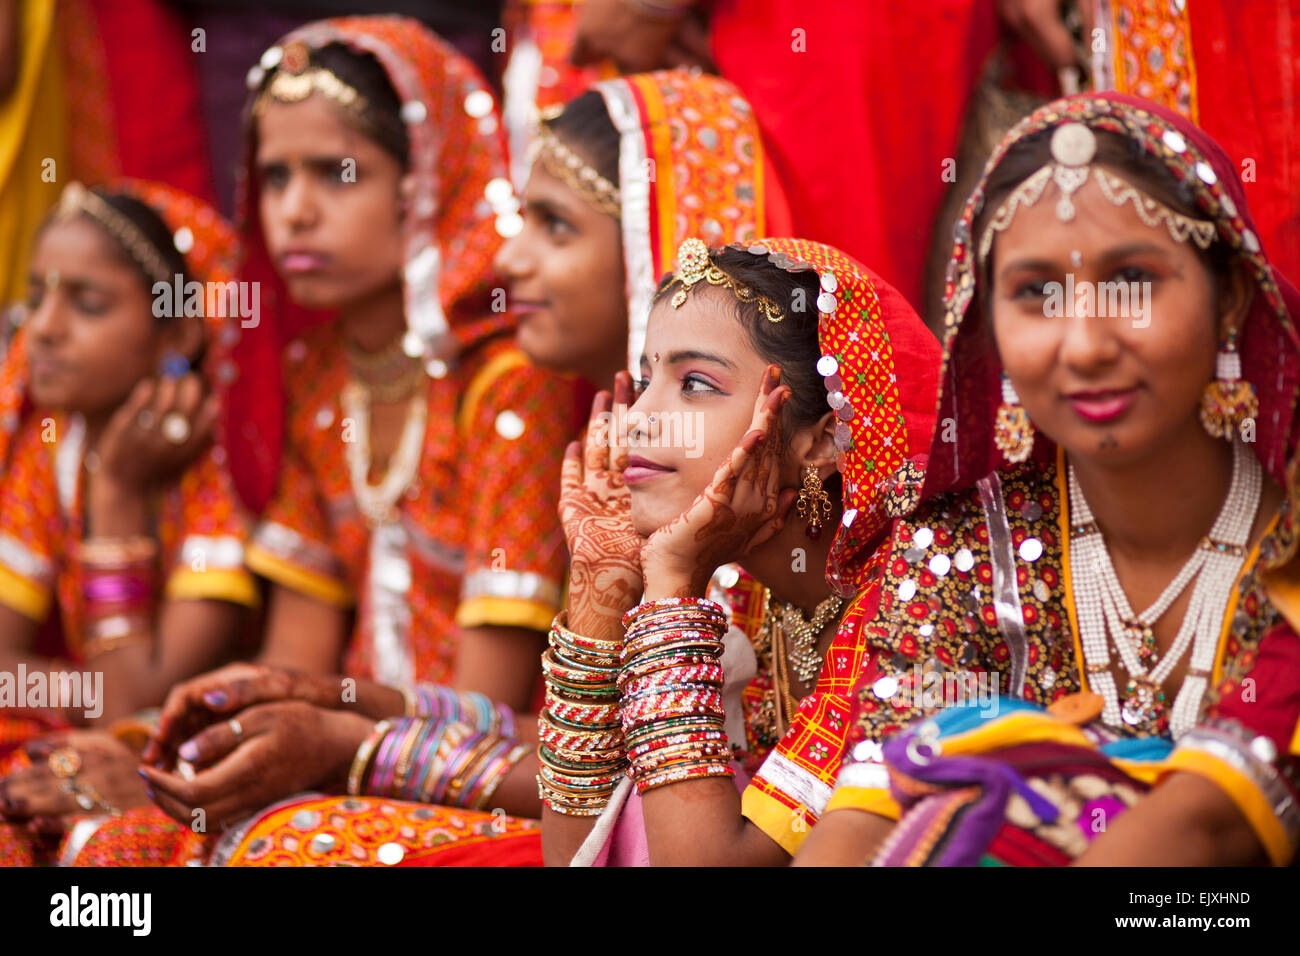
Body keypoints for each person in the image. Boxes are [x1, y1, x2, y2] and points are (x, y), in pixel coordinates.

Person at [128, 67, 791, 867]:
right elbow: (587, 743)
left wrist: (355, 744)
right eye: (273, 176)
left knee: (285, 843)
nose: (509, 256)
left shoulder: (726, 494)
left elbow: (663, 813)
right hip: (581, 817)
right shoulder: (624, 453)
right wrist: (332, 708)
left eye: (554, 225)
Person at [86, 15, 573, 867]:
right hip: (326, 750)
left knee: (258, 850)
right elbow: (291, 657)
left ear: (427, 178)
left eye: (336, 174)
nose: (295, 210)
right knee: (97, 824)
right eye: (274, 176)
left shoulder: (505, 385)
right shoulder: (313, 375)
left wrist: (317, 752)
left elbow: (483, 701)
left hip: (478, 777)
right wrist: (150, 753)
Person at [795, 92, 1300, 866]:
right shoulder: (966, 531)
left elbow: (1213, 822)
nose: (1085, 345)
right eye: (1036, 293)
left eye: (1132, 281)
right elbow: (872, 802)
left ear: (1228, 295)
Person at [543, 237, 941, 865]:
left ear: (822, 439)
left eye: (695, 384)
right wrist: (601, 588)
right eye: (646, 380)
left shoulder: (911, 608)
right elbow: (575, 857)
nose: (642, 418)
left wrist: (672, 587)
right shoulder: (746, 591)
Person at [0, 179, 256, 865]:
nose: (43, 328)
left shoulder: (221, 467)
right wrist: (84, 690)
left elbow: (135, 704)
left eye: (86, 303)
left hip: (194, 776)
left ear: (176, 330)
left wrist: (115, 494)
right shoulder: (54, 444)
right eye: (36, 295)